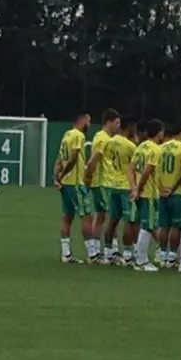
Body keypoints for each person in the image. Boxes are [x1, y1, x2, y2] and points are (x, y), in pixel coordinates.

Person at [82, 108, 120, 262]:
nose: (118, 126)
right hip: (103, 183)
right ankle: (111, 251)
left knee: (101, 217)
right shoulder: (102, 138)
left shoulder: (105, 138)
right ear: (109, 122)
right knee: (112, 216)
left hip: (104, 182)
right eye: (116, 123)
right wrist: (88, 177)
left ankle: (98, 252)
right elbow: (94, 159)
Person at [53, 112, 92, 263]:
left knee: (67, 216)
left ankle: (66, 253)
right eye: (88, 122)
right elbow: (74, 157)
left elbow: (59, 158)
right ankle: (92, 253)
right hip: (75, 182)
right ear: (82, 121)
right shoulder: (78, 136)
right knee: (86, 216)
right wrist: (63, 173)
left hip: (65, 184)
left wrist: (56, 177)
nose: (89, 125)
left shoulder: (66, 135)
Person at [127, 119, 164, 272]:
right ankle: (141, 260)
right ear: (159, 132)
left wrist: (134, 187)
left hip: (141, 192)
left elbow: (130, 169)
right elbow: (148, 171)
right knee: (147, 226)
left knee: (145, 224)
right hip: (148, 193)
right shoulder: (156, 149)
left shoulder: (141, 147)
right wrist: (139, 189)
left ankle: (140, 258)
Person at [101, 119, 138, 265]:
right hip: (125, 185)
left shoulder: (110, 142)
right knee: (130, 220)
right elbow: (134, 166)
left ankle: (108, 252)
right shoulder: (130, 146)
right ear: (129, 128)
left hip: (112, 184)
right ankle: (128, 254)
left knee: (113, 219)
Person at [155, 123, 181, 268]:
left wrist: (161, 188)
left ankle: (162, 255)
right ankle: (172, 256)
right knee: (176, 225)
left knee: (164, 225)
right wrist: (172, 189)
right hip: (177, 192)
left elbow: (154, 171)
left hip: (162, 192)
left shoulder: (160, 148)